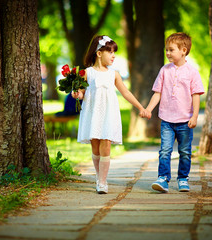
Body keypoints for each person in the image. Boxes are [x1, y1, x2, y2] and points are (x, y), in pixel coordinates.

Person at [72, 35, 150, 194]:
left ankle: (102, 181)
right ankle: (98, 175)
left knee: (106, 144)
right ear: (99, 53)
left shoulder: (114, 74)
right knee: (95, 146)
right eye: (110, 52)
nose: (114, 55)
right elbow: (81, 92)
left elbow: (126, 92)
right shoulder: (87, 73)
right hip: (93, 113)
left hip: (108, 113)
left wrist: (141, 107)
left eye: (114, 52)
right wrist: (77, 94)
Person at [142, 32, 204, 193]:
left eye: (171, 50)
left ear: (183, 50)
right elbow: (158, 93)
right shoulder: (165, 70)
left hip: (185, 120)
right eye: (166, 50)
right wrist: (148, 109)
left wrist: (195, 116)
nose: (167, 53)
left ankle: (183, 179)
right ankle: (163, 178)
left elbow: (195, 95)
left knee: (184, 151)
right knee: (165, 150)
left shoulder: (192, 72)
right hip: (167, 120)